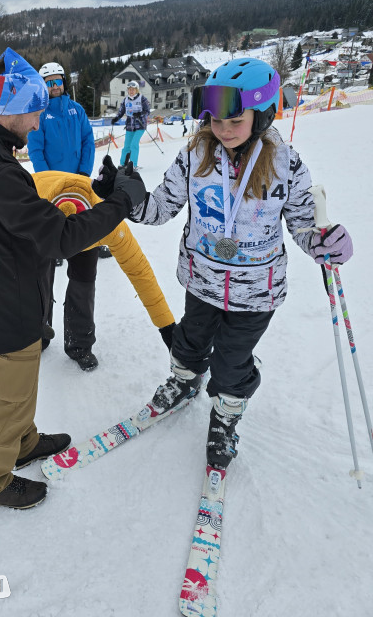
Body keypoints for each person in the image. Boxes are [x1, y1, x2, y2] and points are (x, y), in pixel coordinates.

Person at [96, 58, 353, 471]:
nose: (223, 129)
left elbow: (305, 225)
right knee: (189, 341)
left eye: (235, 120)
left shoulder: (286, 164)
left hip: (257, 292)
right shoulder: (196, 153)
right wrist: (126, 197)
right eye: (215, 119)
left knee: (232, 362)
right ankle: (183, 381)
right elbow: (161, 208)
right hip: (202, 281)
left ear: (264, 114)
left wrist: (325, 242)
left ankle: (226, 416)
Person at [0, 48, 146, 510]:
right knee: (8, 397)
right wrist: (120, 203)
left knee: (16, 389)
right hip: (5, 306)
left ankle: (22, 441)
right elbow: (60, 237)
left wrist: (96, 195)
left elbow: (29, 220)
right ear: (13, 109)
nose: (41, 120)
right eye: (36, 110)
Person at [27, 61, 100, 371]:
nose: (54, 86)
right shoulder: (38, 113)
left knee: (83, 276)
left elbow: (87, 142)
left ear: (63, 83)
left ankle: (79, 342)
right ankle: (39, 334)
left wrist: (83, 176)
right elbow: (36, 150)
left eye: (58, 81)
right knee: (42, 275)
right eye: (49, 82)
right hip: (49, 198)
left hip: (81, 195)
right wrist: (50, 184)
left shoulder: (77, 110)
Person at [111, 80, 150, 169]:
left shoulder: (142, 98)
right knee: (126, 146)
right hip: (130, 126)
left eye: (133, 89)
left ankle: (133, 165)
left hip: (140, 125)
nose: (131, 91)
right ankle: (123, 164)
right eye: (129, 89)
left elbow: (147, 111)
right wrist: (116, 118)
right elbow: (121, 111)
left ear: (137, 90)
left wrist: (140, 114)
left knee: (133, 145)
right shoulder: (126, 100)